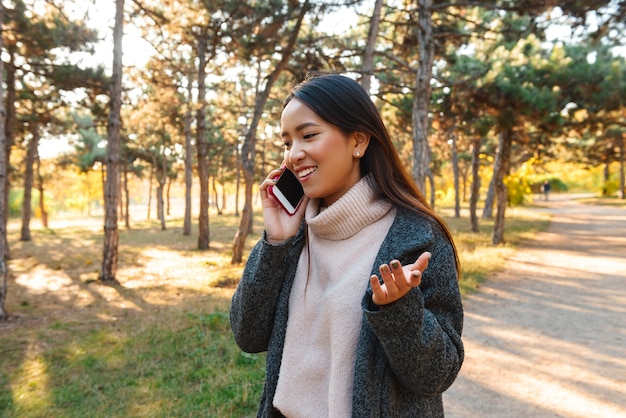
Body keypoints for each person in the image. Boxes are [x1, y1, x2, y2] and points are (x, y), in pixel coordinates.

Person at [230, 73, 464, 418]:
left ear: (358, 141)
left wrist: (400, 312)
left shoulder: (418, 238)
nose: (294, 154)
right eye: (286, 142)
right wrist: (276, 244)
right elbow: (248, 336)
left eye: (308, 135)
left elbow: (437, 374)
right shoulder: (294, 236)